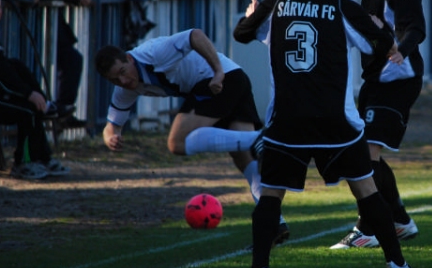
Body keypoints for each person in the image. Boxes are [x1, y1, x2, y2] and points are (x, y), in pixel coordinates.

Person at [232, 0, 422, 268]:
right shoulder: (339, 4)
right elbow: (380, 43)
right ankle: (398, 266)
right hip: (336, 120)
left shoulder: (278, 2)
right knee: (366, 190)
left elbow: (242, 34)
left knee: (271, 195)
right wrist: (378, 27)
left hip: (287, 119)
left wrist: (250, 15)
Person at [94, 28, 289, 243]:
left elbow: (195, 35)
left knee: (176, 142)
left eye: (123, 71)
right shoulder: (126, 87)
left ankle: (259, 139)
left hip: (218, 80)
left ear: (129, 58)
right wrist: (110, 137)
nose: (123, 81)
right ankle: (275, 223)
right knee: (245, 158)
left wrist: (217, 72)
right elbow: (111, 126)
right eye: (115, 80)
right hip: (234, 78)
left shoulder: (153, 53)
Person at [330, 0, 425, 250]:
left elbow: (417, 27)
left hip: (398, 78)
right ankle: (399, 219)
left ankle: (367, 228)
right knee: (363, 153)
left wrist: (402, 49)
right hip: (376, 80)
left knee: (365, 153)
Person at [0, 0, 70, 179]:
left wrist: (33, 94)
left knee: (19, 70)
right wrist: (27, 94)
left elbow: (7, 68)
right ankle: (23, 162)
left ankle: (43, 157)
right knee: (28, 110)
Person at [27, 0, 92, 125]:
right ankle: (38, 117)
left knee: (72, 60)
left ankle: (63, 111)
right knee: (34, 69)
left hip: (54, 23)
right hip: (35, 23)